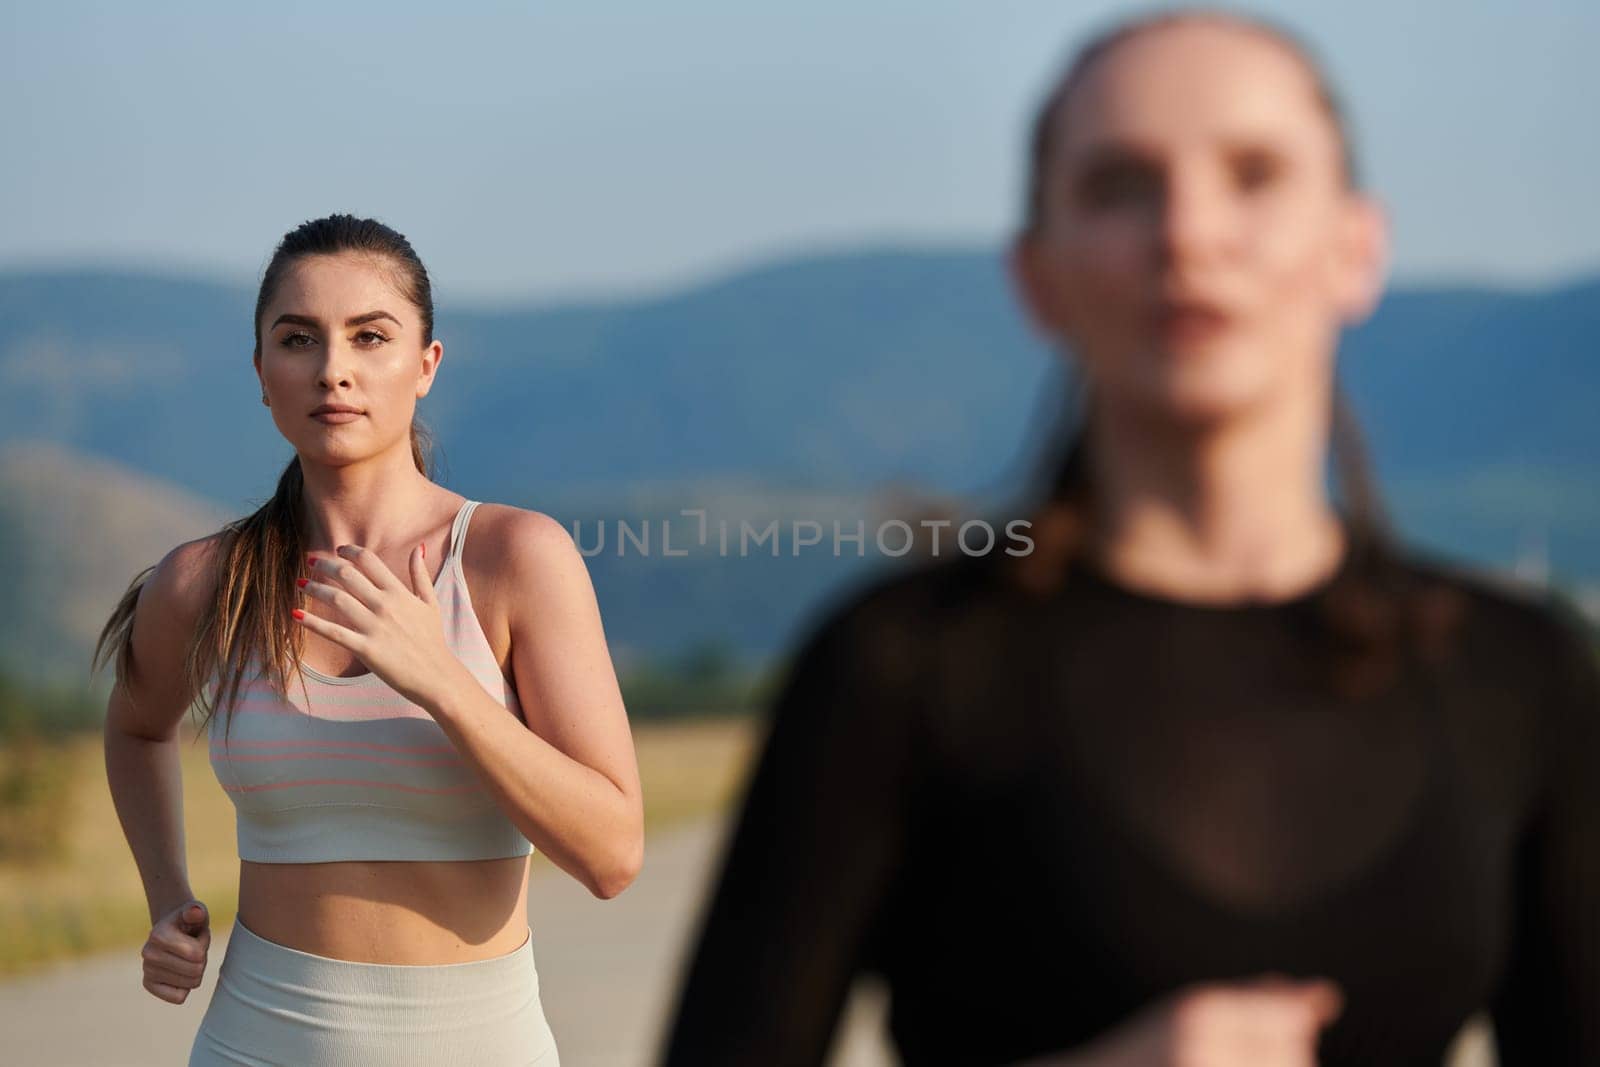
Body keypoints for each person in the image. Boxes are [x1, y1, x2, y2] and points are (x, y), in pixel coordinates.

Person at [661, 9, 1599, 1066]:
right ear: (1037, 276)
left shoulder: (1517, 672)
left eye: (1253, 173)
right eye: (1119, 185)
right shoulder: (903, 665)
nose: (1188, 232)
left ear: (1356, 245)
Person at [94, 213, 644, 1066]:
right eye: (298, 338)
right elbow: (135, 724)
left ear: (426, 366)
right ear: (261, 373)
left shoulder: (513, 560)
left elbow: (612, 854)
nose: (333, 370)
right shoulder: (205, 581)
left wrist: (444, 682)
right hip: (251, 1044)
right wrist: (168, 898)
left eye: (370, 336)